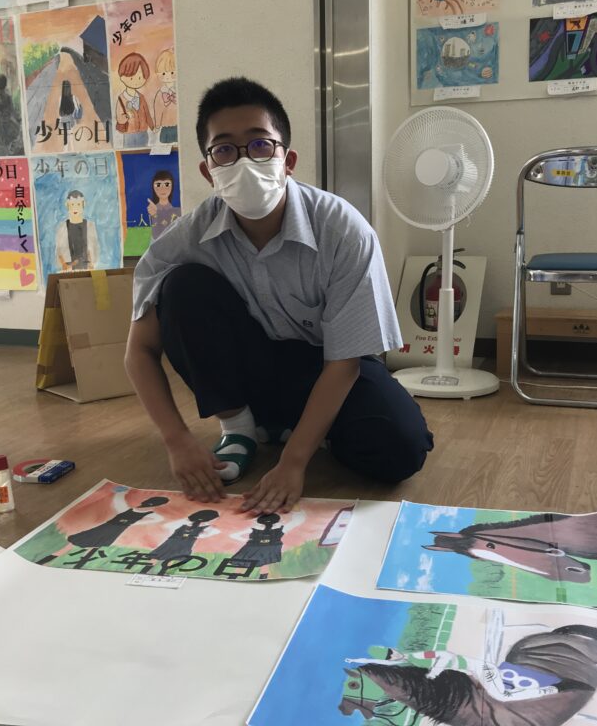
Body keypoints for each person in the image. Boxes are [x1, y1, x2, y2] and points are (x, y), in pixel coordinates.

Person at [124, 77, 433, 516]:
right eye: (224, 150)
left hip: (327, 368)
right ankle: (240, 427)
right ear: (208, 170)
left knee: (402, 449)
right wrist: (177, 440)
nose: (243, 161)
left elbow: (345, 363)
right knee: (181, 286)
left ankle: (297, 431)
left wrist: (294, 462)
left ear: (287, 160)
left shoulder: (343, 231)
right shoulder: (184, 239)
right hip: (250, 367)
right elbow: (138, 352)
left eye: (260, 145)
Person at [115, 52, 153, 149]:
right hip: (129, 133)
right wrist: (127, 116)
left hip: (143, 132)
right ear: (122, 78)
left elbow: (147, 114)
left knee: (144, 152)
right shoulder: (121, 98)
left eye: (140, 77)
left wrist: (152, 127)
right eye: (131, 78)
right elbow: (119, 118)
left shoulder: (141, 97)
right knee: (130, 152)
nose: (136, 81)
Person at [55, 190, 99, 271]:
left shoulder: (90, 226)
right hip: (69, 270)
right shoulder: (62, 228)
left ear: (83, 205)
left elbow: (94, 250)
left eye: (78, 204)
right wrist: (65, 265)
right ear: (67, 205)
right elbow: (59, 252)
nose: (75, 208)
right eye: (72, 204)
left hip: (87, 269)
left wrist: (91, 264)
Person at [152, 48, 178, 145]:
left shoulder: (179, 92)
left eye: (172, 72)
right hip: (165, 128)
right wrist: (157, 125)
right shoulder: (160, 94)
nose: (168, 76)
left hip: (180, 127)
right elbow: (157, 110)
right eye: (163, 73)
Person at [146, 169, 180, 238]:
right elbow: (155, 236)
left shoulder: (178, 211)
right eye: (158, 185)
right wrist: (155, 216)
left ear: (172, 186)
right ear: (153, 187)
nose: (163, 189)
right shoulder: (150, 210)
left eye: (167, 184)